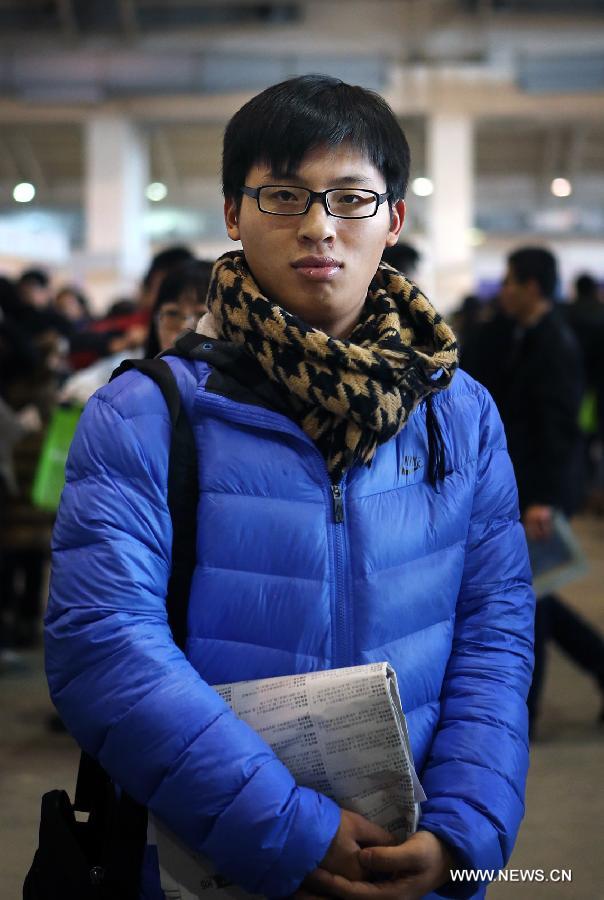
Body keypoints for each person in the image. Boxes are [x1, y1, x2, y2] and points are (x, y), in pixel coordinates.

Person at [45, 75, 534, 899]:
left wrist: (464, 831)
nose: (319, 227)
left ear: (395, 220)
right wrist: (283, 831)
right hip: (214, 858)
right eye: (283, 195)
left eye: (351, 198)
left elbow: (496, 628)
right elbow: (104, 644)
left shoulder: (458, 411)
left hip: (415, 844)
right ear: (233, 216)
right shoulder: (145, 412)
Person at [467, 246, 604, 735]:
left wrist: (544, 499)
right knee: (537, 595)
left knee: (532, 602)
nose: (501, 290)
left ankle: (524, 714)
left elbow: (559, 431)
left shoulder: (554, 344)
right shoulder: (516, 334)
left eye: (508, 281)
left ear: (530, 287)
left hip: (539, 496)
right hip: (519, 490)